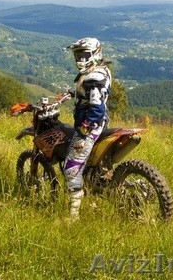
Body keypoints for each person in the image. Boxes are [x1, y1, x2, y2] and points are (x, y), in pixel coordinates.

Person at [63, 37, 112, 219]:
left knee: (71, 168)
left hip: (90, 126)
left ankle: (73, 216)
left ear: (95, 54)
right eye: (78, 55)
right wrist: (70, 93)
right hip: (99, 122)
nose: (81, 60)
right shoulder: (100, 70)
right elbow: (87, 94)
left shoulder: (94, 77)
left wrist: (87, 125)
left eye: (85, 55)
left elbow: (96, 104)